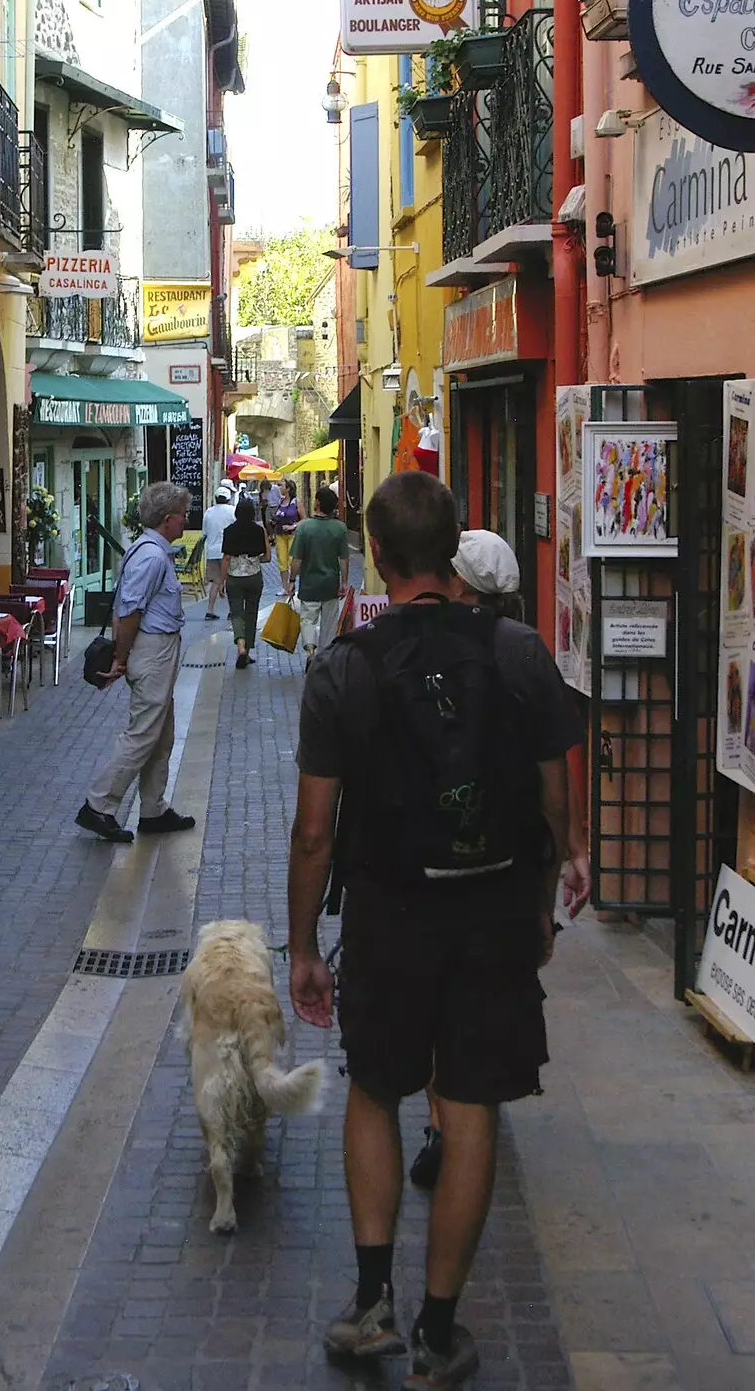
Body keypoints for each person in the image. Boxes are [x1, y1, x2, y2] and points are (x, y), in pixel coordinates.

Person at [287, 472, 590, 1386]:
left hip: (387, 913)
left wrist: (303, 945)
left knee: (376, 1093)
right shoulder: (520, 653)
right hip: (493, 911)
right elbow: (552, 791)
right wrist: (551, 884)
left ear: (374, 554)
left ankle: (371, 1300)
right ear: (454, 549)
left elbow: (313, 830)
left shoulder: (344, 667)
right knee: (468, 1111)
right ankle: (439, 1327)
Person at [407, 528, 591, 1195]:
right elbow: (553, 777)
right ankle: (471, 1113)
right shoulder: (527, 650)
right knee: (484, 995)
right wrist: (569, 852)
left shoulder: (422, 646)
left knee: (436, 1000)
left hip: (435, 860)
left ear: (459, 585)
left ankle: (439, 1121)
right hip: (510, 866)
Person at [76, 482, 196, 845]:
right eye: (183, 515)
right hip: (152, 650)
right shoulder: (152, 556)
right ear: (168, 519)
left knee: (161, 732)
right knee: (143, 732)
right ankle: (99, 805)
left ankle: (153, 808)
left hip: (156, 649)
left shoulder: (149, 550)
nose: (186, 521)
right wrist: (121, 658)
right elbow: (129, 610)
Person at [288, 485, 350, 664]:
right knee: (329, 624)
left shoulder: (304, 528)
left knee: (308, 619)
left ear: (317, 503)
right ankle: (325, 658)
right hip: (331, 584)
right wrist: (344, 582)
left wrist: (292, 580)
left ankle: (310, 652)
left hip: (309, 584)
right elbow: (344, 559)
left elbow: (297, 559)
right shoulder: (340, 528)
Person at [218, 497, 270, 671]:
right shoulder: (259, 530)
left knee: (237, 612)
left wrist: (221, 581)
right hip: (254, 577)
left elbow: (225, 558)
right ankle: (246, 652)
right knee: (251, 613)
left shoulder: (229, 531)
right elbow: (268, 557)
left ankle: (240, 646)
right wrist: (253, 560)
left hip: (234, 578)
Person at [200, 485, 237, 621]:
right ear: (228, 499)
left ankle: (210, 610)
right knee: (231, 582)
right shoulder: (232, 511)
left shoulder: (208, 512)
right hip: (229, 551)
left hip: (212, 552)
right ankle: (232, 611)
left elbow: (204, 532)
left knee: (215, 582)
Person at [272, 479, 302, 595]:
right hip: (279, 534)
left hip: (292, 535)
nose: (279, 487)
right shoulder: (281, 501)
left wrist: (292, 526)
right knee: (282, 561)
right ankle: (284, 588)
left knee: (293, 561)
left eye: (282, 485)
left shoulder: (296, 502)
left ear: (288, 488)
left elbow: (304, 519)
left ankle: (293, 585)